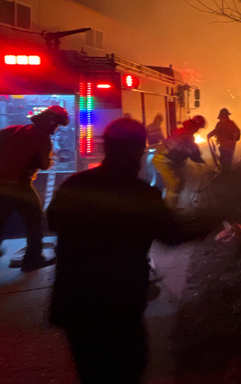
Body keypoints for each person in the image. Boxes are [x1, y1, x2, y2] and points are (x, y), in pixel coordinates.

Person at [47, 118, 209, 384]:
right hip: (119, 301)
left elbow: (53, 222)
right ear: (138, 151)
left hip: (75, 300)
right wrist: (214, 221)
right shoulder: (142, 195)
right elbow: (172, 236)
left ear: (106, 148)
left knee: (90, 371)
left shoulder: (74, 185)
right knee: (127, 368)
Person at [0, 105, 69, 271]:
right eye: (57, 124)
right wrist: (51, 158)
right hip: (20, 186)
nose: (56, 128)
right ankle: (33, 259)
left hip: (0, 182)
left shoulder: (15, 129)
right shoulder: (42, 138)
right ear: (51, 122)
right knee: (35, 220)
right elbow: (45, 165)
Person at [152, 115, 206, 208]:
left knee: (180, 181)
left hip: (166, 160)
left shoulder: (182, 131)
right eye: (198, 128)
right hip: (163, 160)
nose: (198, 131)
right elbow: (193, 152)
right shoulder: (185, 135)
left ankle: (172, 205)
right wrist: (199, 159)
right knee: (175, 184)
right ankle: (169, 209)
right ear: (194, 126)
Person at [207, 108, 241, 173]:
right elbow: (216, 131)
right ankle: (224, 171)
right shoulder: (219, 124)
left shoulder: (231, 124)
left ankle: (226, 171)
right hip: (223, 144)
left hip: (230, 144)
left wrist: (236, 138)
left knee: (228, 157)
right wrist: (210, 134)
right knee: (222, 157)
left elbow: (237, 131)